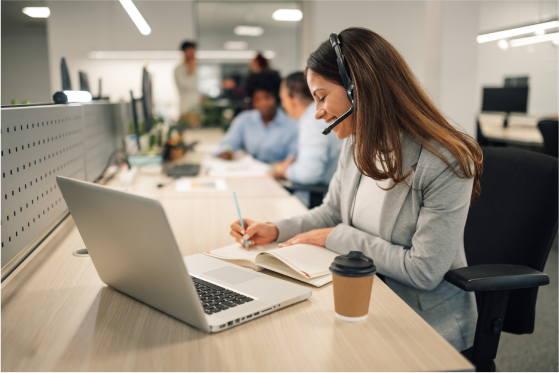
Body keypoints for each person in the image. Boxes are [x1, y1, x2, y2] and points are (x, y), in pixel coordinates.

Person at [229, 27, 483, 352]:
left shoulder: (443, 162)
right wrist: (276, 229)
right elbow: (332, 211)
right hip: (359, 298)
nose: (317, 112)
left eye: (321, 97)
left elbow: (424, 271)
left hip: (420, 325)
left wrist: (335, 237)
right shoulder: (356, 143)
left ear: (358, 88)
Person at [274, 72, 343, 207]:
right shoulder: (319, 115)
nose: (284, 106)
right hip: (324, 194)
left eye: (282, 100)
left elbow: (310, 173)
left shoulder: (312, 120)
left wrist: (284, 171)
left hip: (317, 200)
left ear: (291, 99)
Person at [216, 70, 298, 163]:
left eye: (267, 97)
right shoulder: (244, 120)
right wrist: (224, 151)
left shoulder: (291, 125)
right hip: (250, 172)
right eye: (257, 99)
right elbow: (228, 143)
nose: (262, 104)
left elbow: (293, 156)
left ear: (276, 97)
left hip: (279, 174)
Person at [174, 41, 201, 126]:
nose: (193, 55)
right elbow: (188, 86)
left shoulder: (196, 68)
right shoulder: (178, 69)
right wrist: (191, 71)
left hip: (197, 109)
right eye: (191, 52)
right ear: (184, 52)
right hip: (186, 110)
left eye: (194, 52)